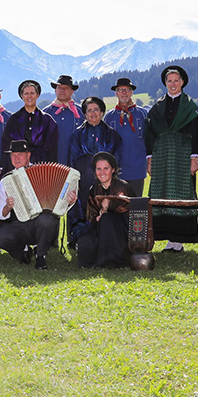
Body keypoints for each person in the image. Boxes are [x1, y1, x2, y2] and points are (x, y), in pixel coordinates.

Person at [145, 66, 198, 252]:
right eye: (169, 81)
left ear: (183, 82)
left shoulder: (191, 107)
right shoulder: (157, 107)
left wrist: (194, 158)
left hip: (182, 154)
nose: (172, 84)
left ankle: (178, 240)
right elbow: (149, 134)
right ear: (165, 83)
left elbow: (197, 133)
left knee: (181, 192)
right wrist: (150, 159)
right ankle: (164, 237)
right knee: (160, 192)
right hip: (161, 155)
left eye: (176, 80)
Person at [0, 140, 77, 270]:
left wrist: (70, 200)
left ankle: (41, 256)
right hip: (21, 225)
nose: (16, 158)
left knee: (46, 220)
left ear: (28, 155)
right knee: (0, 238)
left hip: (45, 224)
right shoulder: (7, 180)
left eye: (20, 154)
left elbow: (62, 198)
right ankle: (23, 252)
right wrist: (7, 208)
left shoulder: (47, 172)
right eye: (13, 155)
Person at [67, 96, 122, 245]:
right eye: (89, 110)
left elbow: (116, 160)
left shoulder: (112, 135)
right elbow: (71, 160)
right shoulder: (76, 135)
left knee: (102, 206)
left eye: (96, 110)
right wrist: (73, 183)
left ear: (102, 112)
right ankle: (78, 241)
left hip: (104, 177)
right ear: (84, 114)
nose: (93, 113)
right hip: (82, 177)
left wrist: (112, 181)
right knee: (81, 207)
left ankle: (104, 239)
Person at [77, 152, 134, 269]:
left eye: (106, 168)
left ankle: (111, 260)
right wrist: (99, 214)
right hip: (100, 227)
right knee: (85, 241)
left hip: (122, 229)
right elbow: (91, 215)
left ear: (113, 170)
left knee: (107, 220)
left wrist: (106, 211)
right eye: (99, 169)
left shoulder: (123, 187)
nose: (102, 172)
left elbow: (129, 212)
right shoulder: (94, 189)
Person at [0, 80, 58, 174]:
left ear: (37, 95)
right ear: (22, 96)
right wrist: (1, 167)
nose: (29, 96)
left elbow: (53, 149)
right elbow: (6, 144)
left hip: (41, 167)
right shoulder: (14, 120)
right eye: (26, 93)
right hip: (17, 167)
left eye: (32, 93)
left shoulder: (47, 120)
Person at [103, 77, 148, 197]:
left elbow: (150, 140)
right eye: (120, 90)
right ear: (116, 93)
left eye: (127, 90)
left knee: (136, 205)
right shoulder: (109, 116)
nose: (124, 93)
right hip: (117, 169)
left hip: (138, 168)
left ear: (132, 92)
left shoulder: (143, 114)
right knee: (117, 205)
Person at [43, 75, 85, 165]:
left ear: (72, 91)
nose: (62, 90)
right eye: (59, 87)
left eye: (66, 88)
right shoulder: (45, 113)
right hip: (52, 164)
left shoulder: (82, 112)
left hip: (77, 164)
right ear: (55, 90)